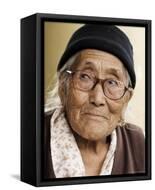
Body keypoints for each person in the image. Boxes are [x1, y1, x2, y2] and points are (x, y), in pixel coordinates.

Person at [44, 24, 145, 179]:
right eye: (85, 76)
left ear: (126, 98)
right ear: (63, 86)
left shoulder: (138, 144)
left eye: (112, 82)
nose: (97, 99)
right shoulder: (32, 135)